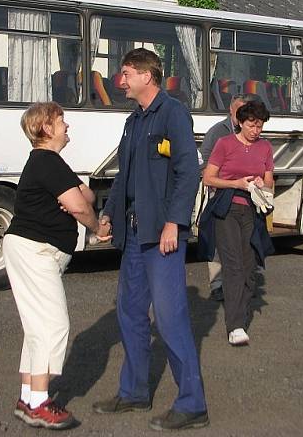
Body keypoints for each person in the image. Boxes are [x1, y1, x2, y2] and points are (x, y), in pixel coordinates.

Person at [92, 48, 209, 431]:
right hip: (134, 234)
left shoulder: (173, 113)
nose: (119, 81)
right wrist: (108, 212)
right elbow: (124, 175)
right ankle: (134, 392)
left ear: (147, 76)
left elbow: (188, 173)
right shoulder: (134, 121)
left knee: (171, 319)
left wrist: (175, 223)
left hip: (161, 236)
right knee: (130, 314)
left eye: (125, 73)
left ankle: (193, 405)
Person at [3, 102, 111, 430]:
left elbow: (85, 196)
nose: (68, 127)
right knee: (55, 326)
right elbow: (80, 206)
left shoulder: (49, 163)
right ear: (47, 129)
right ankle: (40, 403)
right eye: (62, 121)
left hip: (26, 249)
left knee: (38, 328)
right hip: (36, 251)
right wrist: (97, 229)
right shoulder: (47, 161)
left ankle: (27, 397)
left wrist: (77, 199)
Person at [202, 100, 274, 345]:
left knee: (248, 266)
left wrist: (263, 184)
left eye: (260, 126)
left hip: (253, 210)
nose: (256, 130)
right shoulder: (224, 144)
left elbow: (270, 180)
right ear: (240, 123)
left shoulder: (265, 147)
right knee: (232, 266)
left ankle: (240, 314)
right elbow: (208, 178)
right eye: (251, 125)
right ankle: (236, 325)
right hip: (227, 208)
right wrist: (236, 183)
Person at [199, 93, 258, 302]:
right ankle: (217, 284)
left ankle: (240, 283)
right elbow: (204, 162)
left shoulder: (253, 134)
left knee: (244, 242)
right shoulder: (217, 132)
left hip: (247, 196)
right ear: (231, 111)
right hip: (221, 195)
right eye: (241, 111)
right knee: (219, 242)